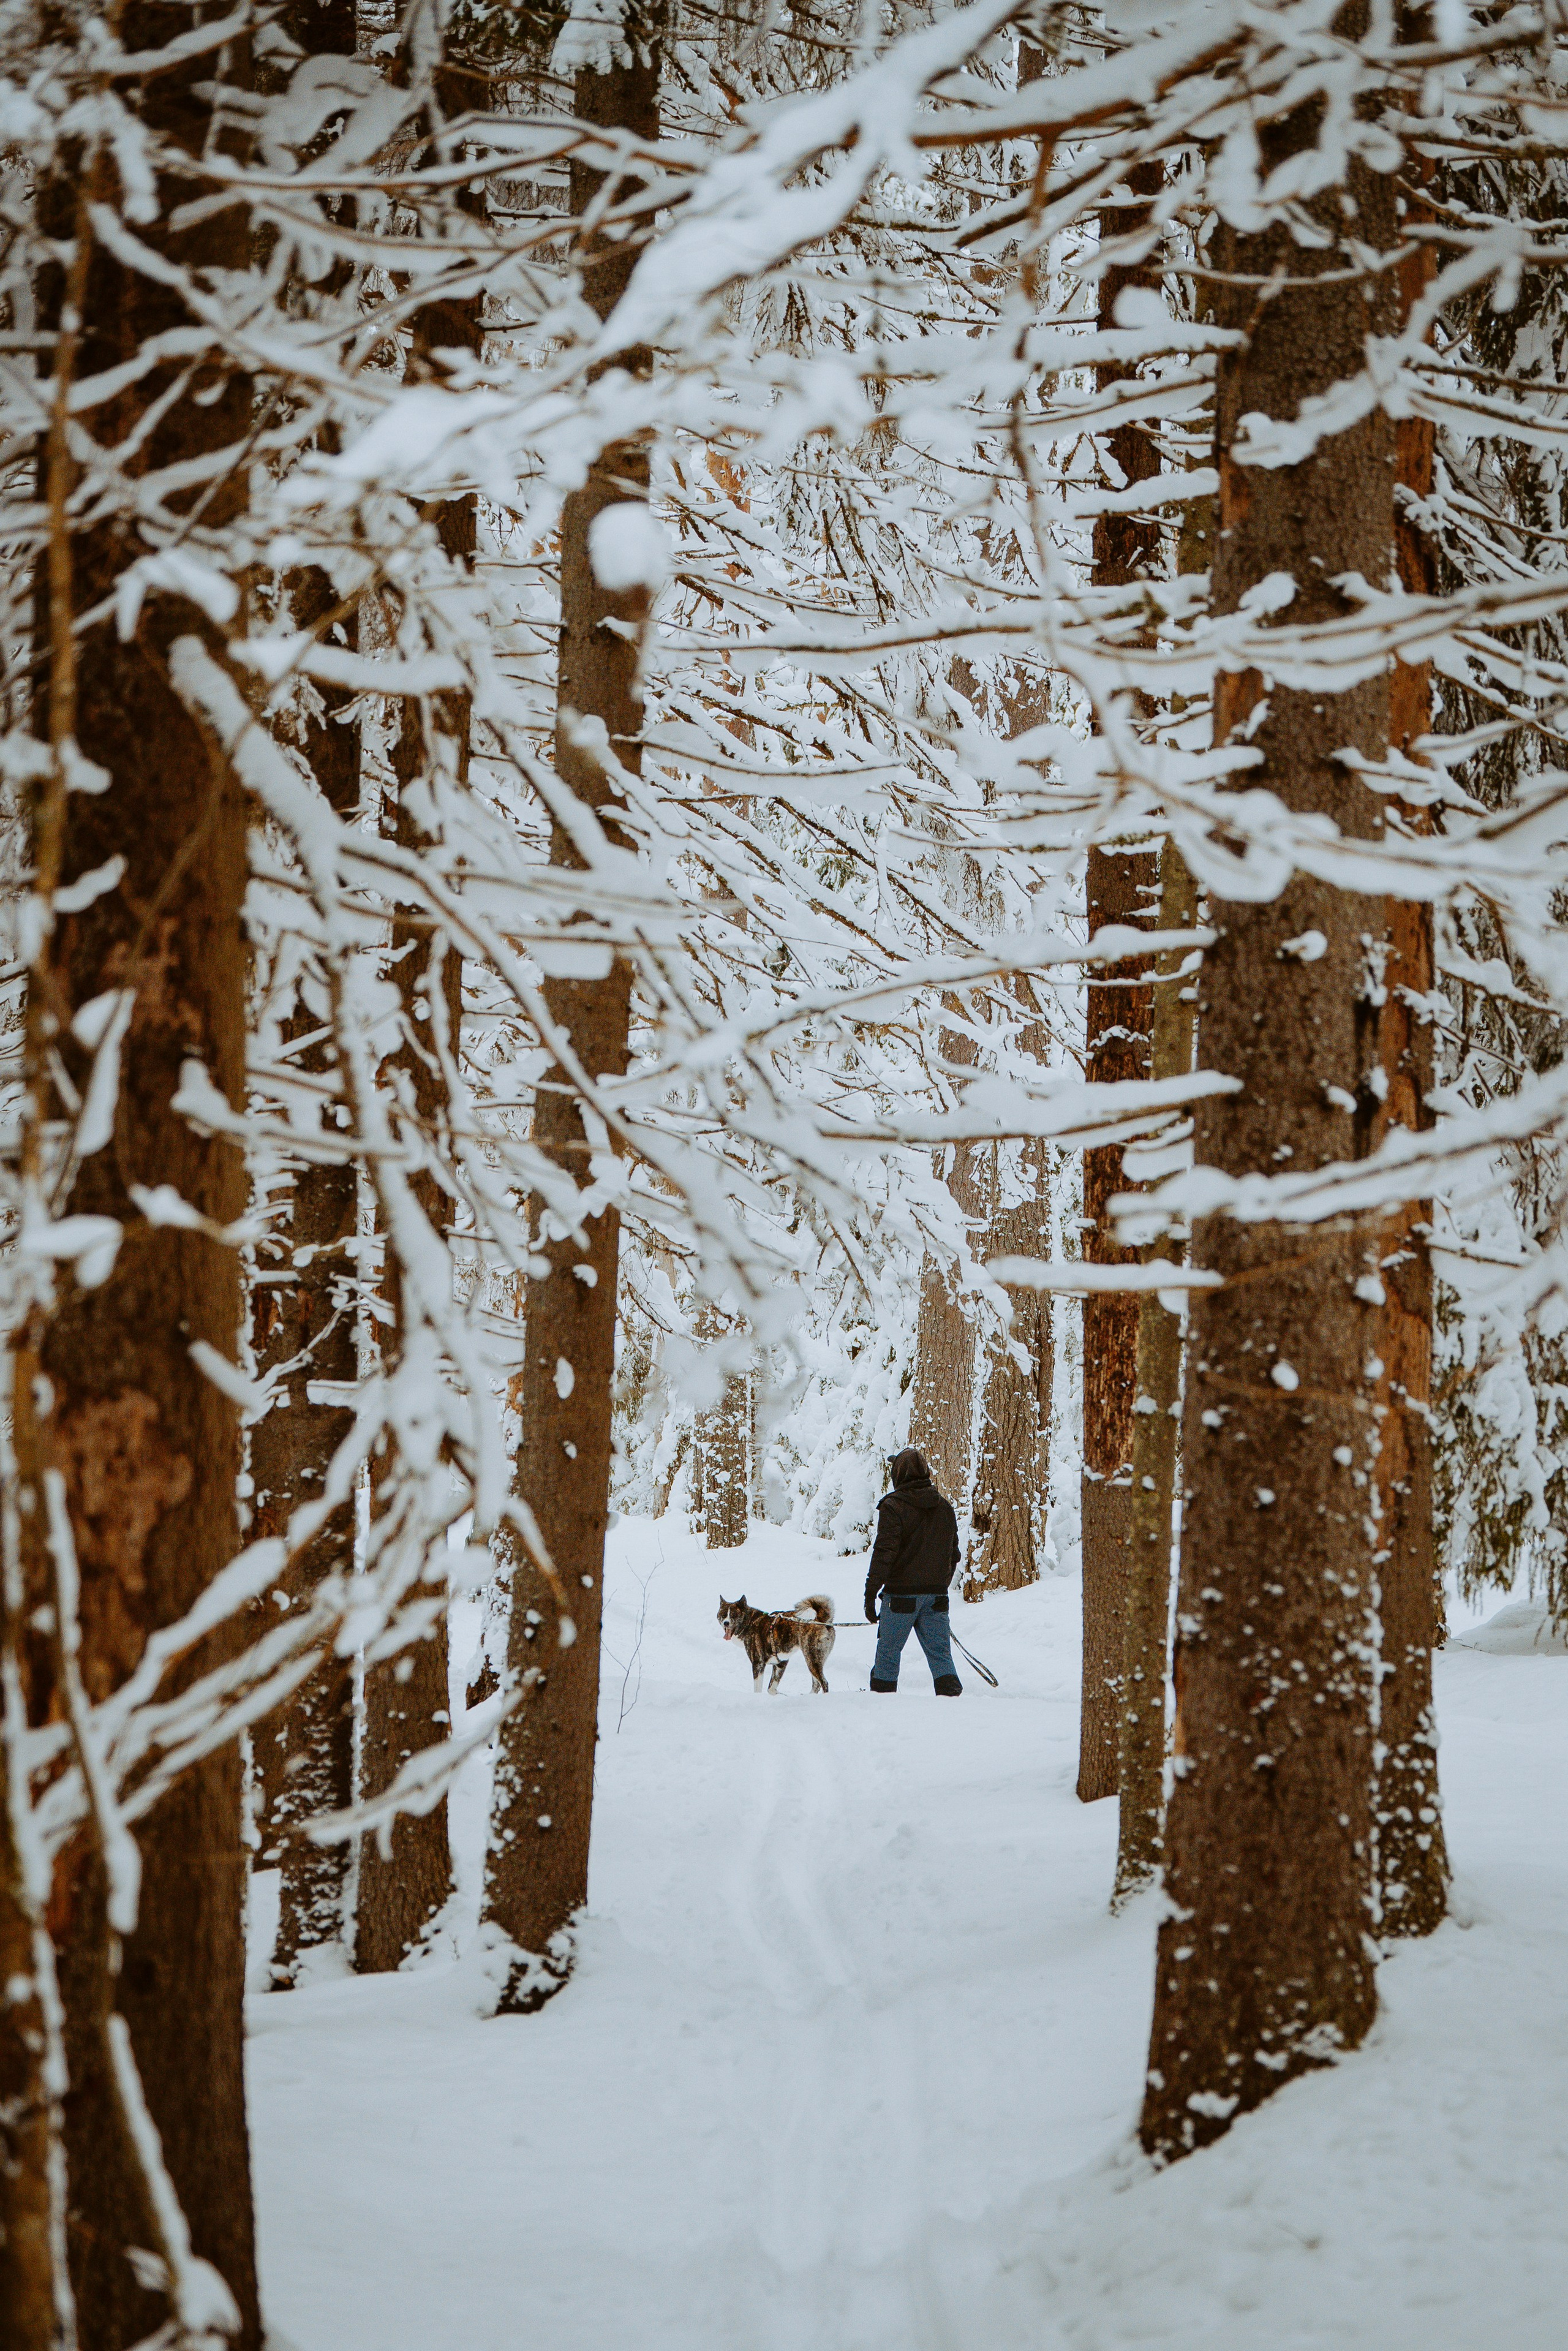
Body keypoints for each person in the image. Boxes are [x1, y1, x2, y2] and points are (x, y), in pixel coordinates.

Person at [863, 1446, 962, 1694]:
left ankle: (881, 1706)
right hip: (936, 1598)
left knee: (888, 1654)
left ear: (899, 1475)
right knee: (941, 1656)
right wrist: (939, 1585)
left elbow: (884, 1554)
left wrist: (870, 1595)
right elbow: (954, 1555)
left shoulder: (893, 1507)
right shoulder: (945, 1507)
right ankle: (954, 1707)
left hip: (900, 1599)